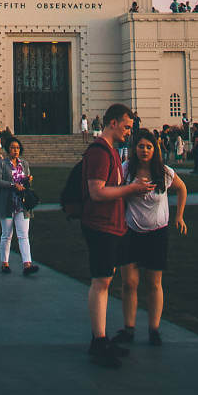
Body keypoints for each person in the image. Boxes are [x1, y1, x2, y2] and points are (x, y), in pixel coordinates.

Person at [82, 103, 154, 368]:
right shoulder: (101, 153)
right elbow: (97, 192)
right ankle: (98, 342)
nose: (128, 132)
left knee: (105, 282)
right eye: (126, 126)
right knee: (100, 283)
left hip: (110, 226)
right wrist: (131, 189)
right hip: (100, 226)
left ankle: (99, 339)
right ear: (113, 123)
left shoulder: (111, 151)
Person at [110, 131, 187, 348]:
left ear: (155, 150)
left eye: (149, 147)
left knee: (154, 283)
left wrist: (179, 216)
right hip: (130, 232)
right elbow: (113, 192)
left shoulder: (163, 172)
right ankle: (129, 328)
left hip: (157, 233)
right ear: (135, 149)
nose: (144, 150)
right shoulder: (125, 170)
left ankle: (154, 329)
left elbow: (182, 189)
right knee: (129, 283)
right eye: (141, 146)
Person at [0, 138, 40, 276]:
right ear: (8, 149)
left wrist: (27, 181)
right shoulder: (2, 164)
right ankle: (4, 263)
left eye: (18, 148)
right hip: (7, 203)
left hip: (22, 204)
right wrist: (13, 185)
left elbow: (26, 182)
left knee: (23, 235)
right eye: (13, 148)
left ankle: (27, 264)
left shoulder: (24, 164)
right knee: (7, 235)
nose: (15, 150)